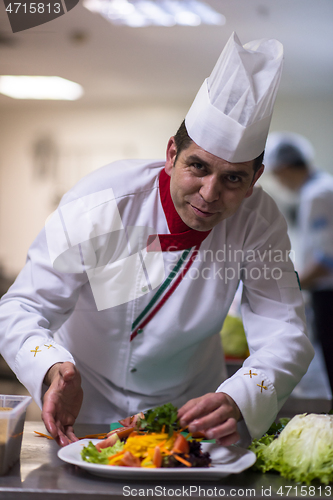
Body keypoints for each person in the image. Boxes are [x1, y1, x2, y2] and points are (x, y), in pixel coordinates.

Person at [0, 33, 314, 447]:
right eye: (197, 167)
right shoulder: (103, 202)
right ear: (171, 154)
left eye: (233, 178)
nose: (209, 192)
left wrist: (240, 396)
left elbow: (284, 329)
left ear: (255, 179)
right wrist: (52, 367)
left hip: (191, 414)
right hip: (84, 407)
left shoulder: (259, 222)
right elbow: (23, 304)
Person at [265, 132, 333, 398]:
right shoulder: (319, 188)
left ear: (282, 169)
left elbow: (326, 260)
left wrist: (287, 287)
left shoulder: (318, 194)